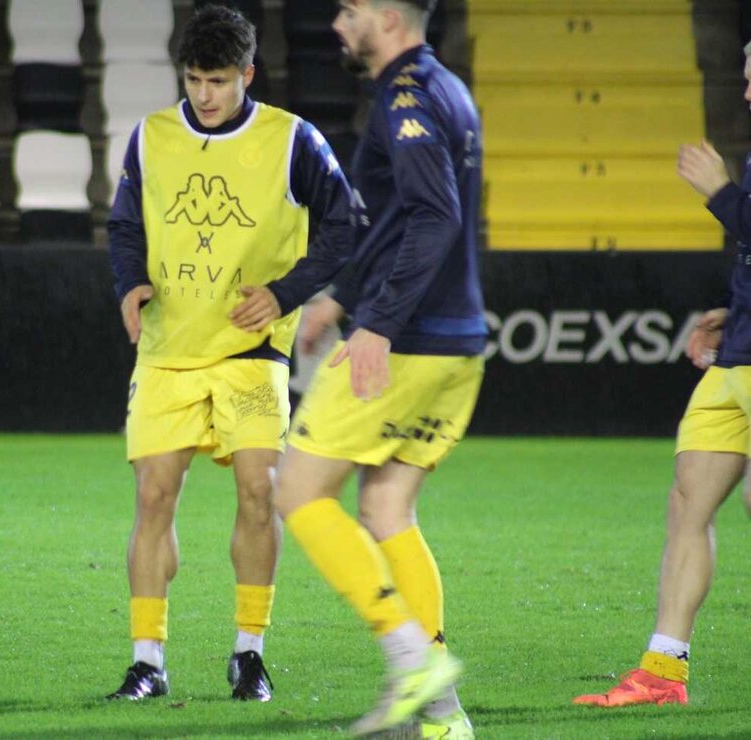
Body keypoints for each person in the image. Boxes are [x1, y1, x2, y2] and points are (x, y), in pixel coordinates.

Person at [106, 3, 355, 703]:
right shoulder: (150, 138)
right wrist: (129, 284)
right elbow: (124, 225)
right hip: (166, 349)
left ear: (247, 73)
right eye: (193, 80)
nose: (204, 95)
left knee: (257, 491)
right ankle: (147, 661)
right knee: (153, 496)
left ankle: (248, 652)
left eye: (217, 81)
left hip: (251, 351)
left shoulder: (292, 141)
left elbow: (342, 228)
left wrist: (283, 294)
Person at [273, 0, 484, 735]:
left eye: (350, 8)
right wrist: (344, 299)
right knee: (387, 510)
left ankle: (410, 660)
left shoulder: (406, 97)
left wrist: (377, 325)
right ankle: (441, 715)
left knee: (297, 489)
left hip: (410, 339)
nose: (336, 21)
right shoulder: (448, 87)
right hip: (455, 340)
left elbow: (435, 215)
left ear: (388, 15)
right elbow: (401, 217)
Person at [573, 42, 751, 710]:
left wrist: (720, 194)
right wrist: (727, 312)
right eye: (742, 78)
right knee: (687, 501)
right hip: (736, 357)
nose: (744, 92)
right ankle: (661, 670)